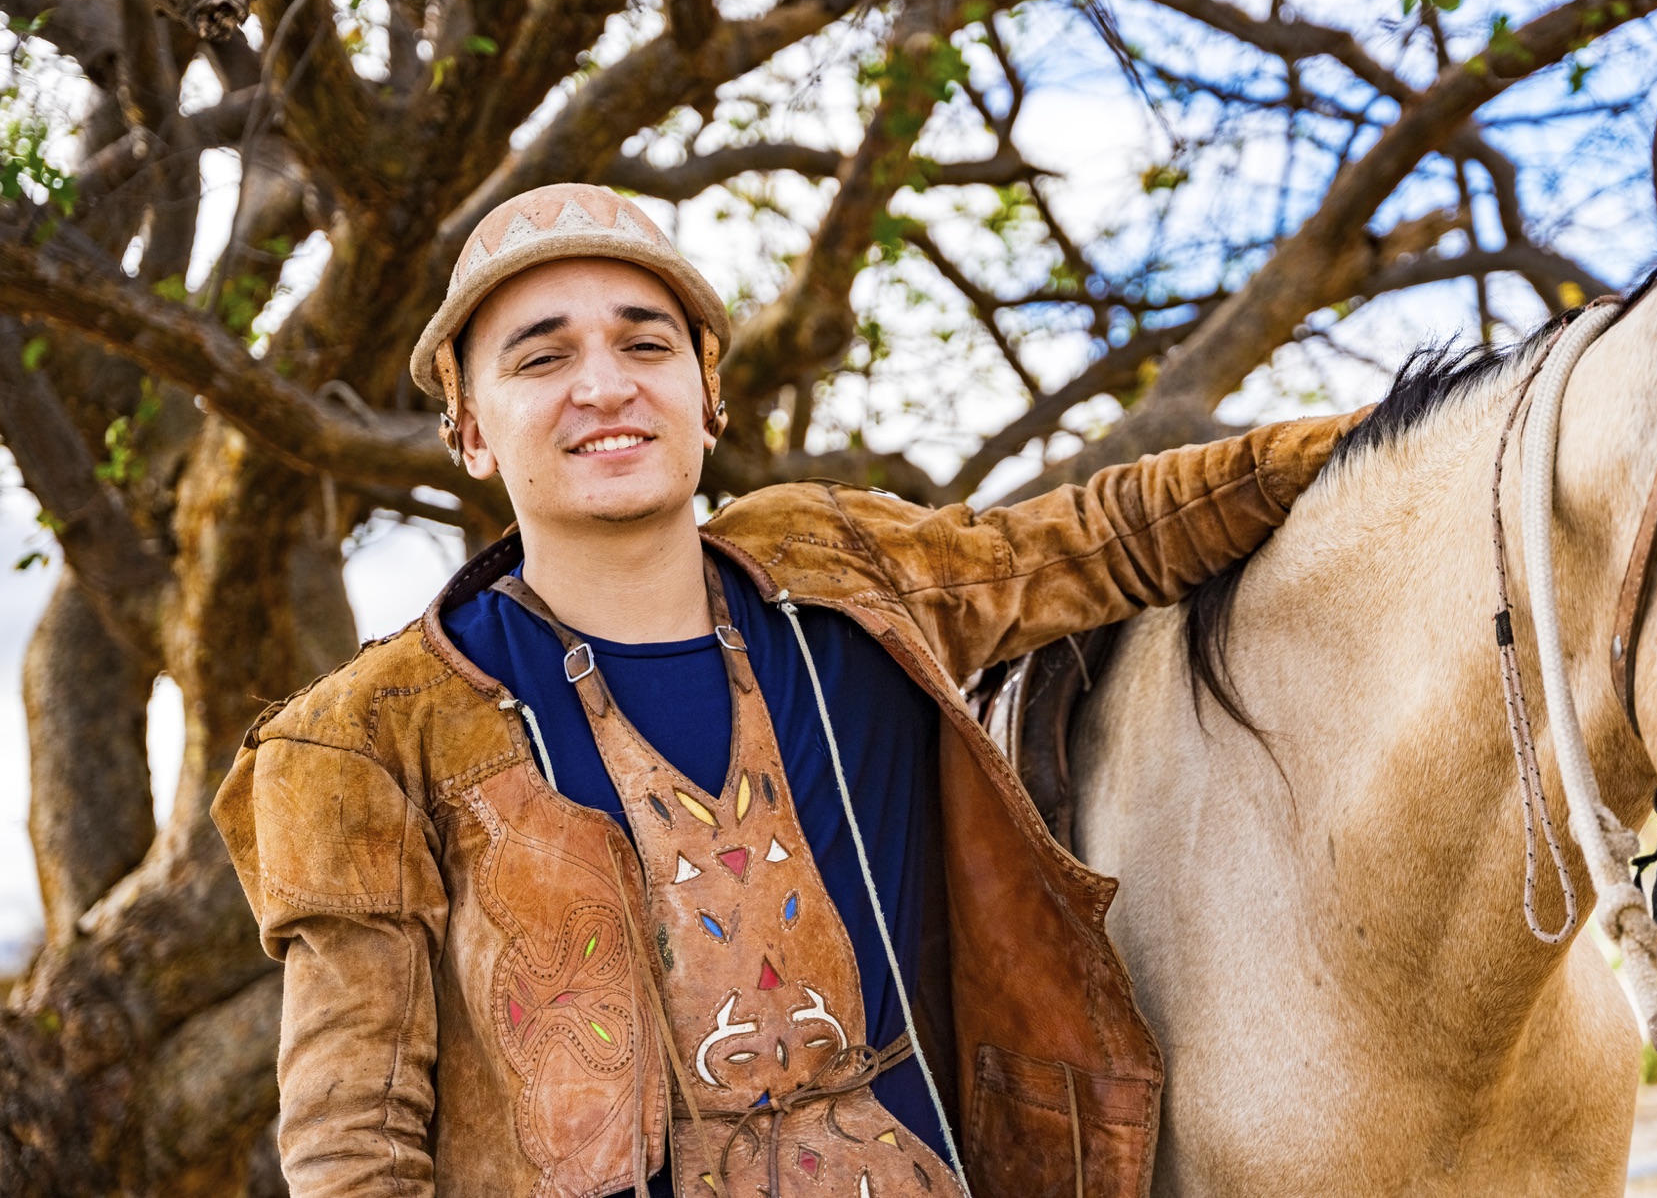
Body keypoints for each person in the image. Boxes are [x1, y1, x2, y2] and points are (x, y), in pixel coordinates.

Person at [213, 183, 1364, 1198]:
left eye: (645, 344)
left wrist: (1411, 434)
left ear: (708, 392)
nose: (603, 386)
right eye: (541, 355)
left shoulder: (841, 569)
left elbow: (1108, 538)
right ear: (469, 427)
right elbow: (353, 1141)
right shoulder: (359, 741)